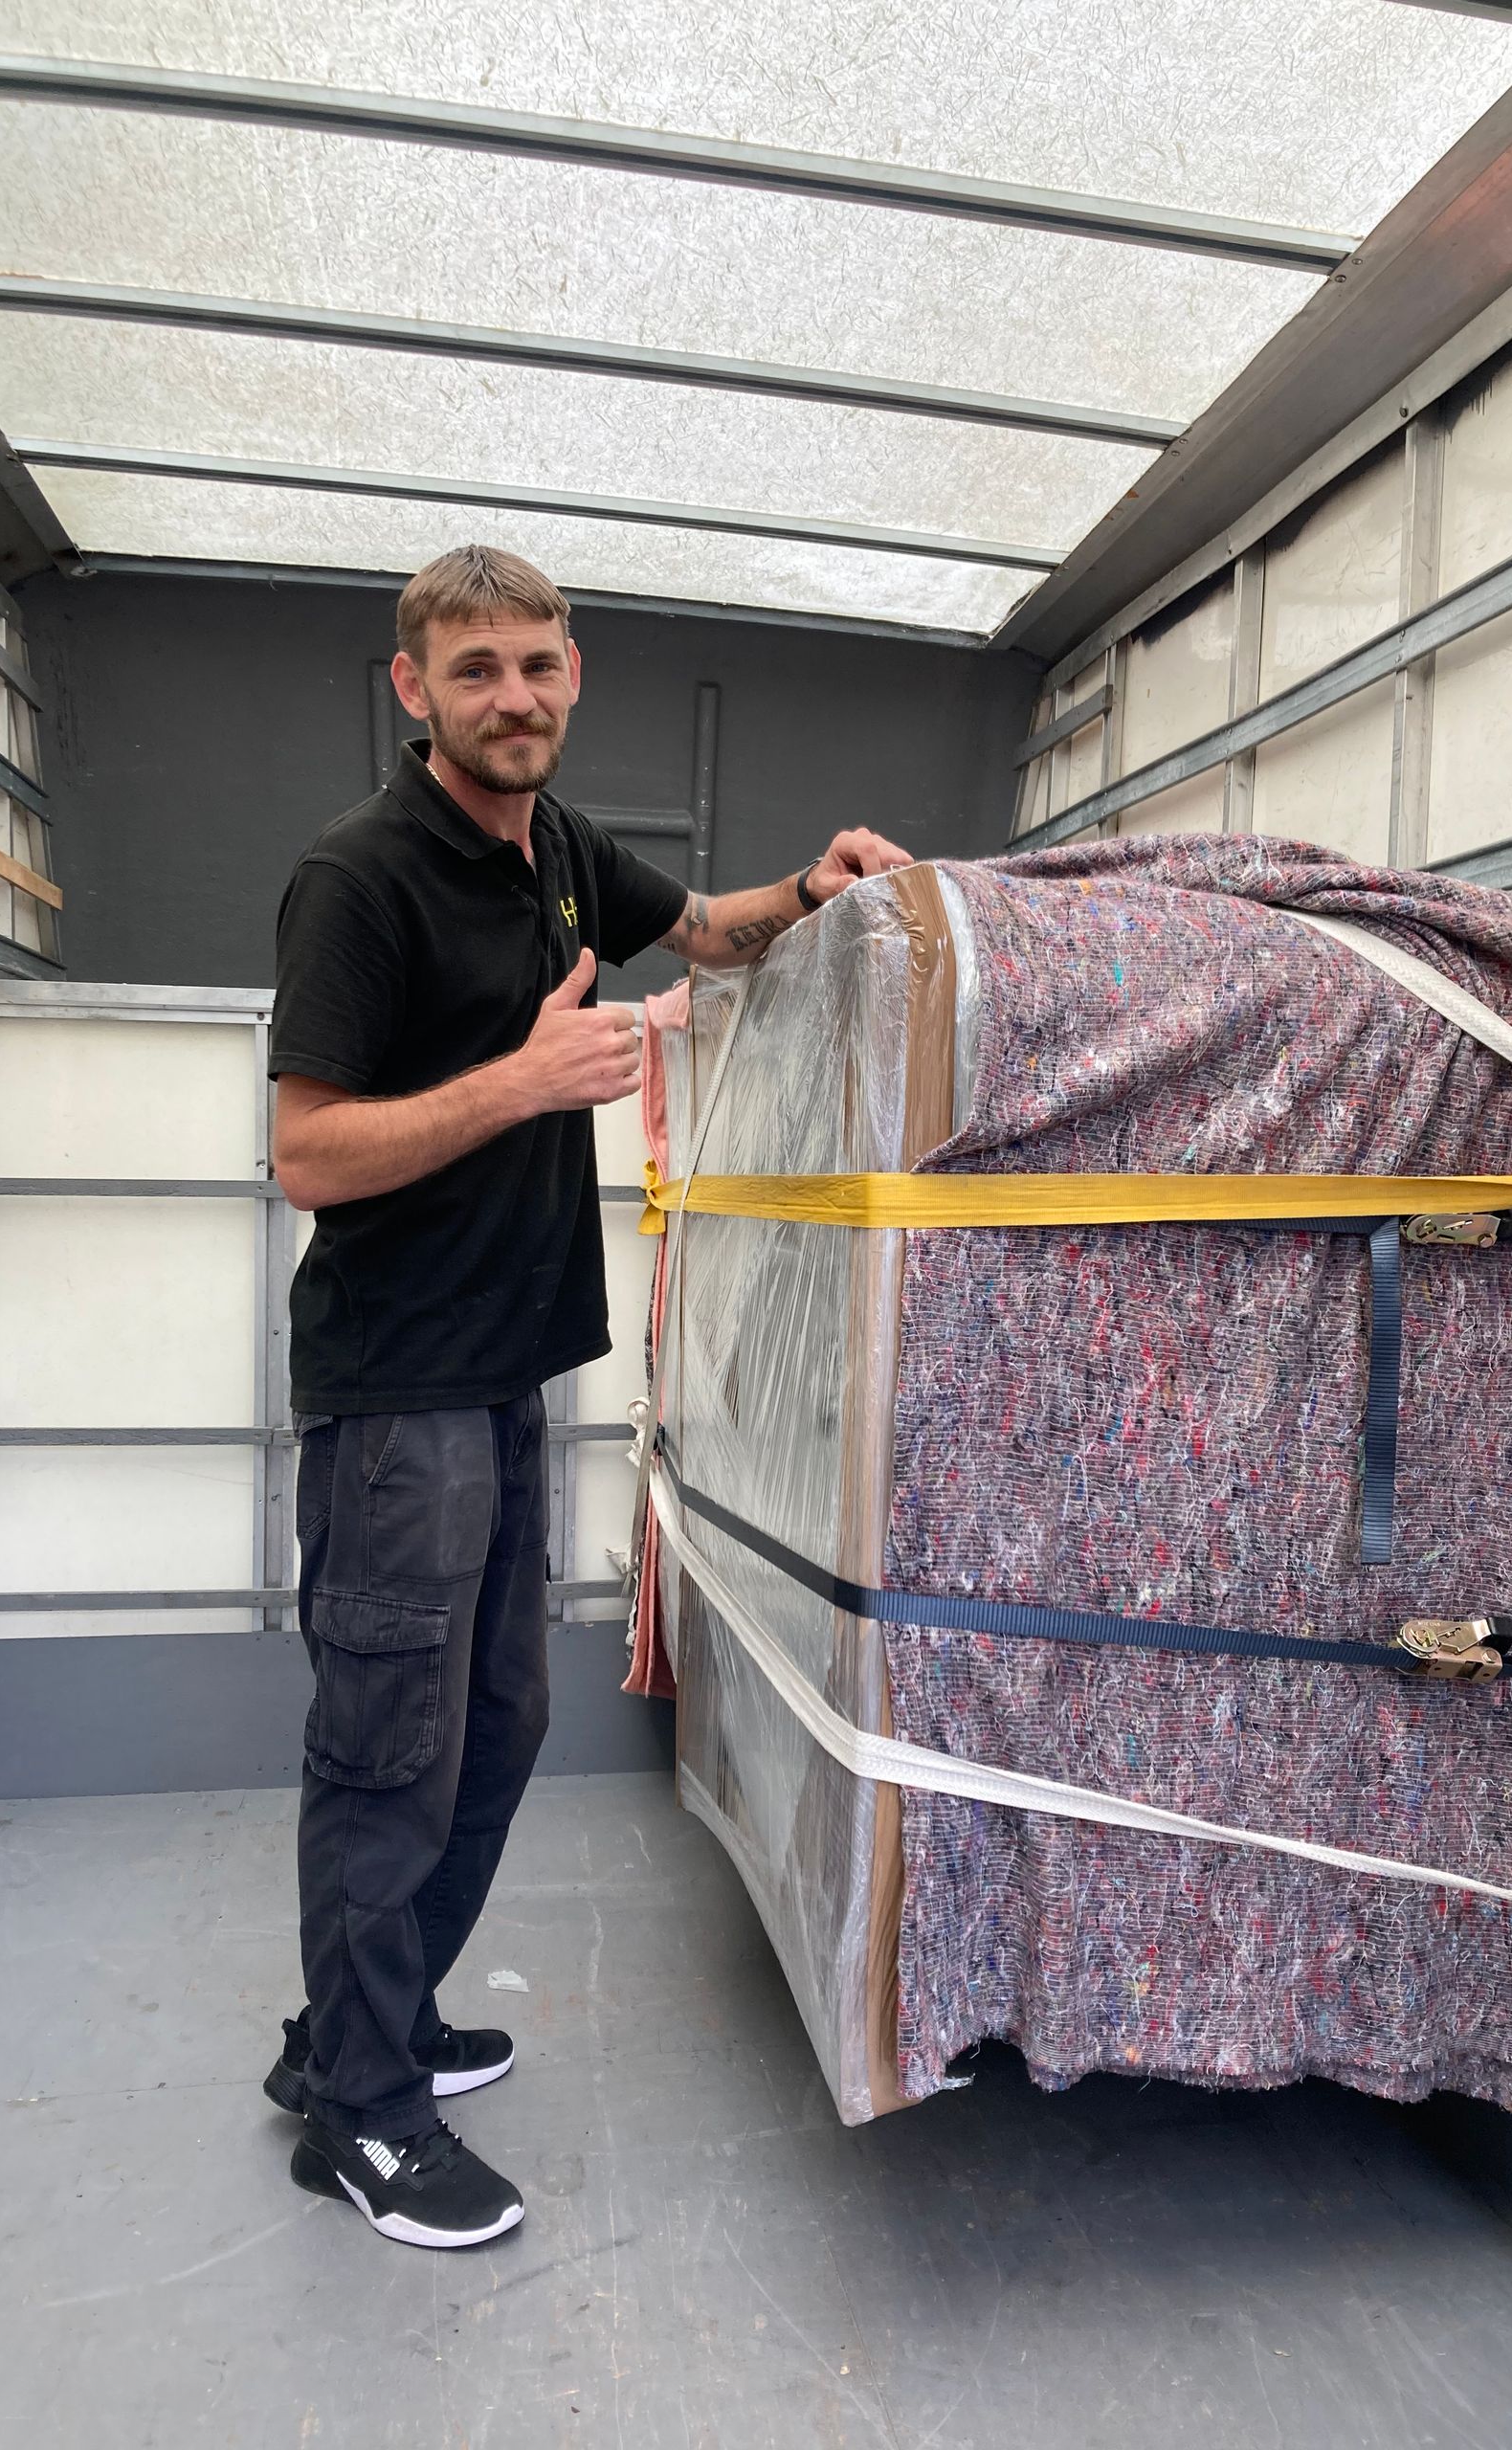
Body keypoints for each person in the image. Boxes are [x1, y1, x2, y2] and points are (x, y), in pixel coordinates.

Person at [263, 544, 911, 2248]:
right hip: (398, 1394)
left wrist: (819, 887)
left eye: (540, 666)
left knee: (500, 1722)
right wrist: (528, 1080)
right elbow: (306, 1154)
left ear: (573, 675)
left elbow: (707, 929)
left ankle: (358, 2027)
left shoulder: (554, 852)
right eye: (475, 671)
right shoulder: (362, 878)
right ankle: (360, 2111)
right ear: (413, 691)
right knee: (390, 1747)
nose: (515, 698)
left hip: (504, 1376)